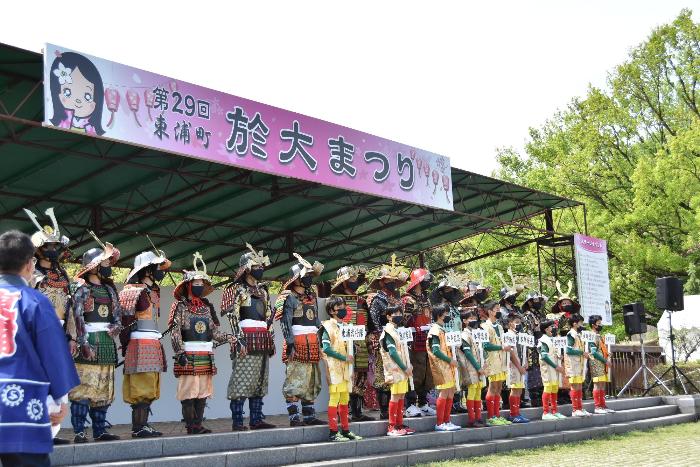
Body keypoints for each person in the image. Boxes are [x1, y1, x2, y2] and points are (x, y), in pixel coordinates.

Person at [0, 230, 79, 466]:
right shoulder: (34, 301)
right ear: (28, 264)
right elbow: (53, 355)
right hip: (23, 406)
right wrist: (61, 400)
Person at [24, 207, 75, 445]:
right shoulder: (30, 275)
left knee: (59, 384)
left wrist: (73, 336)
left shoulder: (63, 276)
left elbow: (72, 308)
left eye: (56, 246)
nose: (53, 251)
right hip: (36, 335)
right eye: (49, 246)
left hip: (60, 334)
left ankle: (53, 431)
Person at [169, 253, 236, 434]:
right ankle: (190, 426)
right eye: (196, 284)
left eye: (201, 285)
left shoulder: (207, 308)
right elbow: (175, 331)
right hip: (188, 354)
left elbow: (213, 332)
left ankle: (198, 425)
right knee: (188, 392)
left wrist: (230, 337)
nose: (199, 287)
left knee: (203, 392)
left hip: (206, 355)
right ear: (189, 286)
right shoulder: (181, 307)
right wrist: (179, 352)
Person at [69, 240, 123, 443]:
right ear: (95, 265)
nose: (109, 267)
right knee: (83, 389)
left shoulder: (110, 290)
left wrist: (116, 327)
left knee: (103, 389)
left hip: (107, 344)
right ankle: (79, 431)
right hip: (88, 341)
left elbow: (117, 315)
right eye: (106, 263)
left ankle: (100, 430)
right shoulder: (82, 289)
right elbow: (77, 317)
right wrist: (83, 342)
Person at [222, 244, 276, 431]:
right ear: (246, 268)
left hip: (262, 339)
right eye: (256, 266)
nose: (260, 269)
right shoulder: (237, 289)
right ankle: (238, 421)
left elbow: (269, 316)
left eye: (262, 266)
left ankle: (256, 419)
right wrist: (239, 339)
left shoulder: (263, 291)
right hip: (245, 338)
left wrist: (272, 340)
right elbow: (232, 315)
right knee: (241, 380)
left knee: (260, 381)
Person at [118, 249, 171, 438]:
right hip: (139, 344)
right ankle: (138, 427)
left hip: (152, 342)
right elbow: (125, 323)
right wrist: (125, 346)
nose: (161, 271)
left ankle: (144, 425)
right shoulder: (133, 292)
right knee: (141, 386)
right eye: (157, 267)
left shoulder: (152, 292)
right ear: (148, 269)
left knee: (151, 385)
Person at [275, 253, 326, 426]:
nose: (309, 280)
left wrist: (327, 329)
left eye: (311, 276)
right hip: (297, 344)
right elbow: (285, 323)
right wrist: (290, 344)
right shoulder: (288, 297)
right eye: (306, 276)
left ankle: (309, 416)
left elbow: (315, 321)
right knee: (295, 381)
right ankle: (294, 417)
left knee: (311, 381)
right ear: (296, 278)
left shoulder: (311, 298)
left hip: (312, 344)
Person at [366, 255, 408, 420]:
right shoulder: (376, 299)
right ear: (382, 282)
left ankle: (397, 411)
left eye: (394, 280)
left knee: (399, 373)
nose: (392, 283)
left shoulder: (397, 299)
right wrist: (380, 337)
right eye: (389, 280)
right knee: (383, 375)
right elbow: (374, 322)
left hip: (398, 338)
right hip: (382, 338)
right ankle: (385, 410)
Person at [330, 265, 374, 422]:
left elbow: (369, 325)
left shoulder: (362, 301)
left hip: (360, 344)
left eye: (356, 279)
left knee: (360, 377)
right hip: (342, 345)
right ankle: (342, 412)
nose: (355, 281)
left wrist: (369, 339)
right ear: (344, 281)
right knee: (343, 377)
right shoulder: (335, 300)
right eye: (352, 279)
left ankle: (357, 411)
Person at [320, 296, 363, 442]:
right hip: (334, 369)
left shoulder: (346, 327)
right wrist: (344, 357)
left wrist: (353, 349)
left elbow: (347, 346)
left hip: (346, 370)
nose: (343, 310)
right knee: (334, 398)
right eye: (340, 307)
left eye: (344, 306)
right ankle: (333, 432)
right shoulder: (327, 327)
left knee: (345, 399)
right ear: (332, 310)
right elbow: (326, 349)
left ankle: (345, 430)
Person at [430, 270, 468, 415]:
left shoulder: (455, 309)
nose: (450, 292)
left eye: (452, 290)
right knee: (446, 378)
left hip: (456, 344)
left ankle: (456, 402)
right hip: (444, 346)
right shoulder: (439, 308)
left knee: (458, 374)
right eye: (447, 289)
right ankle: (444, 412)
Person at [400, 267, 435, 418]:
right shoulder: (408, 299)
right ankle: (410, 405)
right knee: (416, 372)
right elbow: (403, 321)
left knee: (427, 371)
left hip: (427, 337)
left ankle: (423, 403)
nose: (428, 283)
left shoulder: (426, 298)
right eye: (425, 280)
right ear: (418, 282)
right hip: (413, 340)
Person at [379, 304, 415, 437]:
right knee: (395, 396)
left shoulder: (398, 330)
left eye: (400, 313)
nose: (399, 316)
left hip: (403, 370)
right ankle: (392, 425)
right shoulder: (388, 332)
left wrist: (408, 366)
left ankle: (399, 424)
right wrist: (405, 367)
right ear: (388, 316)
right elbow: (393, 352)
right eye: (395, 313)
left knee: (401, 396)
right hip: (395, 369)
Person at [427, 303, 461, 432]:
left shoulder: (443, 329)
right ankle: (440, 422)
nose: (448, 316)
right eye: (446, 313)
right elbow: (435, 350)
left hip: (449, 365)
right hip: (442, 366)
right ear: (440, 315)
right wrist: (449, 360)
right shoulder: (435, 330)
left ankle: (447, 420)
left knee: (450, 391)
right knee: (444, 391)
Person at [481, 300, 512, 426]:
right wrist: (501, 348)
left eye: (499, 309)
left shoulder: (499, 326)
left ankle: (497, 414)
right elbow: (486, 346)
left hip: (501, 360)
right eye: (496, 309)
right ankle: (491, 416)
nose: (499, 311)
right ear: (490, 311)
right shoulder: (484, 327)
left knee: (499, 387)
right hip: (492, 361)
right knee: (492, 387)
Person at [520, 290, 547, 408]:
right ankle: (535, 399)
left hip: (541, 344)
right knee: (533, 372)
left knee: (541, 372)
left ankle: (542, 398)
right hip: (532, 348)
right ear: (530, 303)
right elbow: (528, 334)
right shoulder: (527, 315)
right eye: (536, 300)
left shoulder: (540, 315)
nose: (539, 302)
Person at [460, 308, 486, 428]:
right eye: (470, 318)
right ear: (464, 321)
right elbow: (468, 353)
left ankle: (478, 417)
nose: (474, 320)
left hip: (479, 367)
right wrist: (477, 366)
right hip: (471, 368)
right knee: (471, 392)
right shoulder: (465, 334)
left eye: (475, 318)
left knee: (478, 392)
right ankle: (472, 418)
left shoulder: (476, 333)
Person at [504, 313, 529, 423]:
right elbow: (511, 353)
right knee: (514, 389)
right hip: (514, 366)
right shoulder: (508, 335)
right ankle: (513, 413)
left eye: (520, 323)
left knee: (519, 389)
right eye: (516, 323)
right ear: (510, 324)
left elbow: (523, 349)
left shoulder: (520, 335)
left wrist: (526, 361)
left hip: (521, 365)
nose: (519, 325)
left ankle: (517, 412)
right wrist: (519, 366)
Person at [538, 319, 566, 420]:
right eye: (551, 327)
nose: (553, 328)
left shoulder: (552, 339)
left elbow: (553, 353)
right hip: (548, 368)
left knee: (554, 388)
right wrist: (556, 366)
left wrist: (559, 357)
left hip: (554, 368)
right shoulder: (543, 340)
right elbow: (544, 356)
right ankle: (545, 412)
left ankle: (554, 411)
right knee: (548, 388)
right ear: (546, 329)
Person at [565, 313, 590, 417]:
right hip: (573, 364)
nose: (582, 325)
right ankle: (575, 409)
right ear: (575, 324)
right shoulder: (571, 334)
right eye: (581, 323)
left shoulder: (578, 335)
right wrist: (581, 353)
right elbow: (568, 350)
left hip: (579, 364)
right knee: (575, 386)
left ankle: (580, 407)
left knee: (579, 386)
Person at [588, 314, 615, 414]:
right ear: (593, 325)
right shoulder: (591, 335)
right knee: (597, 384)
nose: (600, 325)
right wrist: (605, 360)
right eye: (599, 323)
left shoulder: (600, 336)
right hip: (596, 362)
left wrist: (607, 354)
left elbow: (600, 349)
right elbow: (594, 352)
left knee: (602, 384)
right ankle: (597, 406)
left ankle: (603, 405)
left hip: (603, 362)